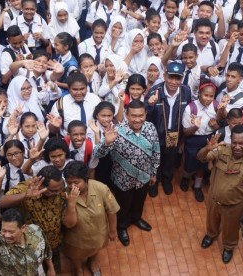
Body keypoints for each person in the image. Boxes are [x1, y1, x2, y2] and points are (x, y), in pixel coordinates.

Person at [93, 100, 160, 247]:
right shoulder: (116, 131)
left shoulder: (151, 128)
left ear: (145, 114)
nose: (137, 119)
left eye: (141, 115)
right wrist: (106, 143)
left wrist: (153, 173)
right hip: (123, 179)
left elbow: (156, 151)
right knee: (123, 204)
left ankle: (136, 218)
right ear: (126, 115)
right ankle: (122, 226)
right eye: (133, 116)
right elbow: (97, 153)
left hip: (144, 177)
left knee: (140, 200)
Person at [197, 125, 243, 263]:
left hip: (235, 206)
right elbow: (200, 157)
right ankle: (211, 235)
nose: (237, 147)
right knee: (211, 221)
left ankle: (228, 247)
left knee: (231, 228)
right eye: (234, 142)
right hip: (214, 199)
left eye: (241, 143)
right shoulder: (221, 150)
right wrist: (207, 148)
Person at [0, 166, 65, 273]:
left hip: (54, 243)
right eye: (53, 191)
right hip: (32, 245)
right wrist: (26, 195)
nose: (58, 193)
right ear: (42, 185)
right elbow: (2, 202)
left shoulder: (60, 186)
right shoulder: (27, 187)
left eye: (60, 189)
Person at [62, 161, 119, 275]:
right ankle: (78, 268)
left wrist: (113, 231)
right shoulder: (64, 195)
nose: (72, 187)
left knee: (95, 248)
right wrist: (71, 204)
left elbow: (112, 210)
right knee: (75, 254)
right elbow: (69, 224)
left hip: (98, 233)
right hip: (76, 238)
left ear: (85, 179)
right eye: (69, 183)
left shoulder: (101, 188)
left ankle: (92, 260)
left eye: (76, 182)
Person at [145, 61, 191, 197]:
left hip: (175, 135)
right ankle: (154, 181)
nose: (174, 81)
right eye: (171, 77)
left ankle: (166, 180)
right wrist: (150, 105)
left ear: (181, 79)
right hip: (156, 135)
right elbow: (145, 117)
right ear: (164, 76)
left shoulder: (186, 92)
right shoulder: (154, 92)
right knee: (155, 160)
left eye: (177, 78)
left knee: (170, 159)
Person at [0, 208, 54, 276]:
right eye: (4, 230)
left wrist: (51, 268)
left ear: (23, 228)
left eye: (11, 231)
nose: (6, 235)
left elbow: (46, 251)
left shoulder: (36, 231)